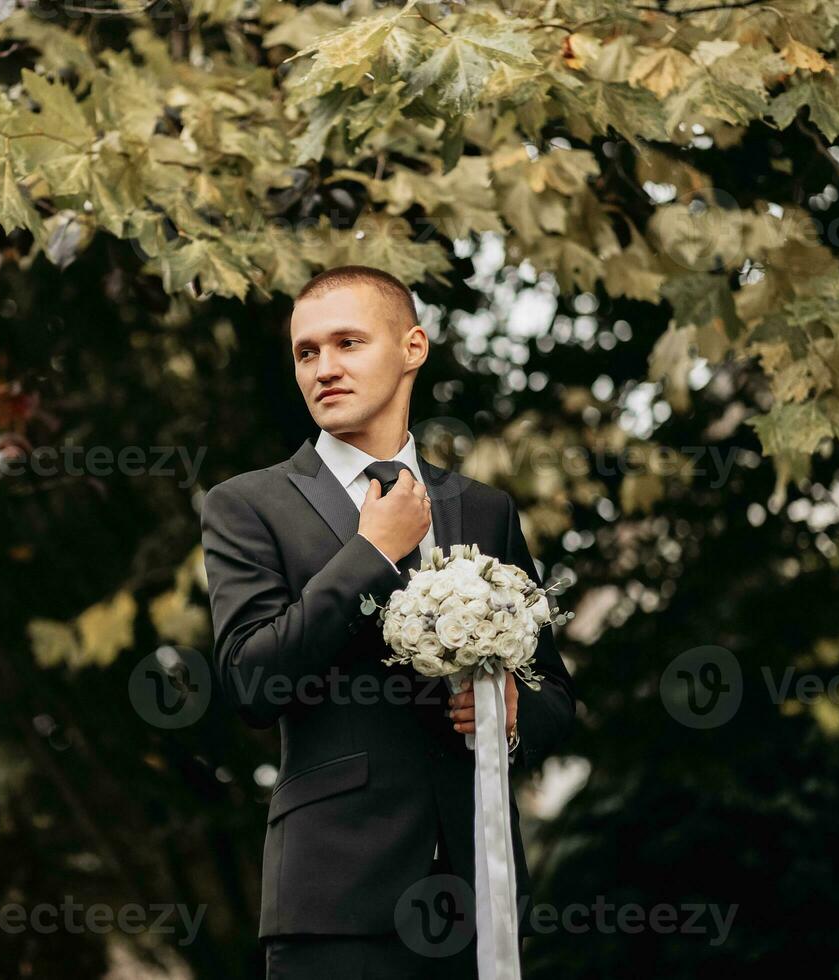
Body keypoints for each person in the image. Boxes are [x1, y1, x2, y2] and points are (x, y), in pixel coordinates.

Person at [199, 265, 576, 977]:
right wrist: (370, 551)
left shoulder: (484, 509)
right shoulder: (248, 506)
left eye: (347, 342)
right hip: (335, 900)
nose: (324, 368)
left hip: (476, 895)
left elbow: (557, 694)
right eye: (307, 352)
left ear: (412, 348)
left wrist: (512, 712)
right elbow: (251, 680)